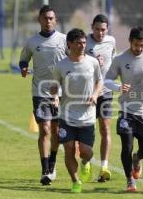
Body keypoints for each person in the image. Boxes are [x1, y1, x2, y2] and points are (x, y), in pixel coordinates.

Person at [104, 26, 143, 192]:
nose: (139, 49)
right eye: (136, 45)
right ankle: (129, 180)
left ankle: (137, 159)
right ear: (130, 42)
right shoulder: (120, 59)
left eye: (142, 45)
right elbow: (107, 80)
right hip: (127, 110)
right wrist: (118, 87)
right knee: (126, 146)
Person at [19, 5, 67, 185]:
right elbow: (24, 58)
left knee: (56, 132)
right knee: (45, 130)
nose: (48, 21)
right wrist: (23, 67)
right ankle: (45, 169)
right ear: (39, 20)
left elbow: (75, 59)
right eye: (45, 18)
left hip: (61, 93)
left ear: (56, 20)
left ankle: (53, 163)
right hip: (39, 92)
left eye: (51, 18)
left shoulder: (63, 40)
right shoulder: (32, 41)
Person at [51, 28, 102, 193]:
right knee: (69, 149)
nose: (82, 45)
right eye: (79, 43)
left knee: (86, 152)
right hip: (66, 115)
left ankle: (86, 163)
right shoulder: (60, 66)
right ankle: (75, 181)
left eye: (84, 42)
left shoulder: (92, 62)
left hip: (87, 115)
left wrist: (95, 95)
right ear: (70, 44)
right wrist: (55, 96)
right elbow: (54, 86)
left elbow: (100, 81)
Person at [85, 14, 116, 182]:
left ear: (107, 29)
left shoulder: (111, 42)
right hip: (86, 94)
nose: (100, 33)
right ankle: (86, 163)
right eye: (97, 29)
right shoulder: (84, 42)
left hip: (105, 92)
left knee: (105, 128)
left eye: (103, 29)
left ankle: (104, 167)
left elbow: (113, 61)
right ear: (92, 27)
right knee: (87, 132)